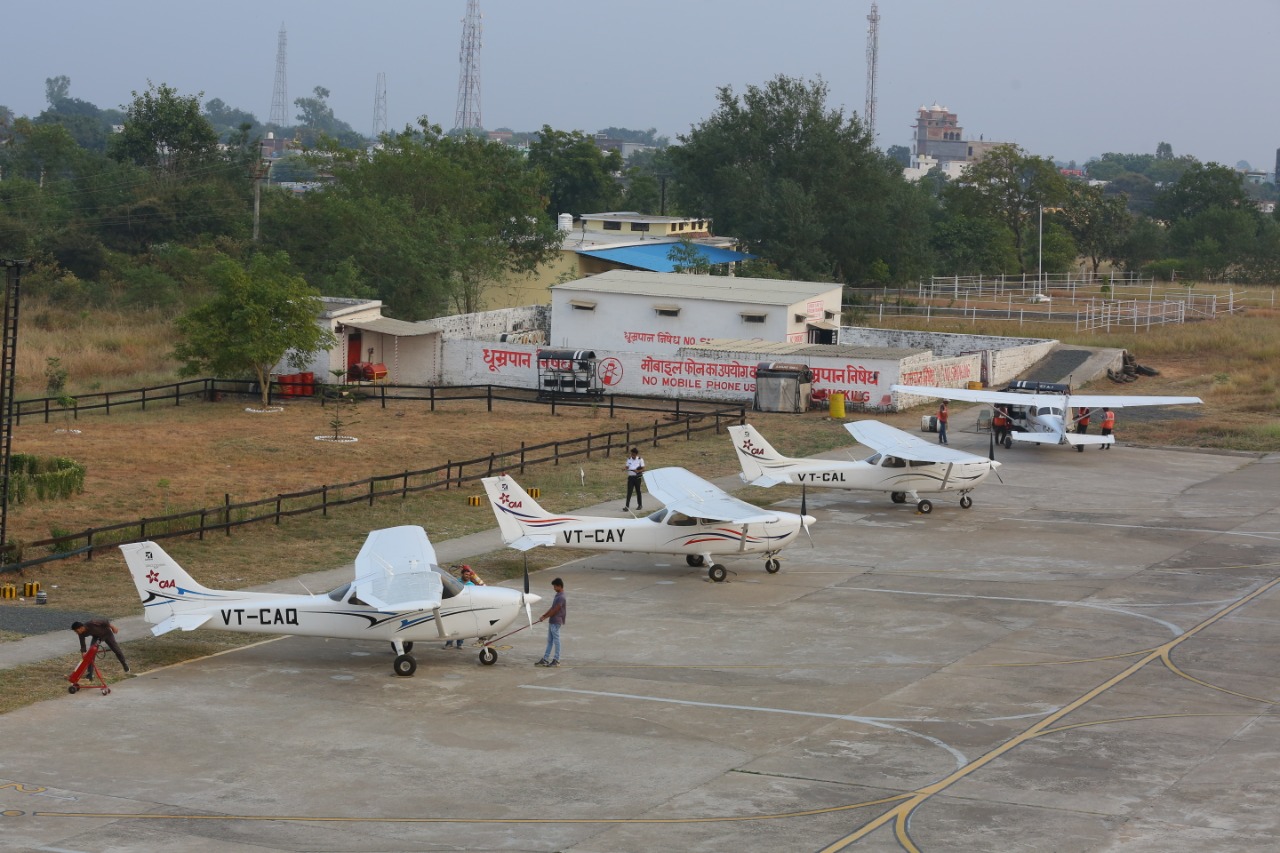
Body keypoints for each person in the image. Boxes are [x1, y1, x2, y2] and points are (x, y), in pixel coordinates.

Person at [444, 565, 485, 648]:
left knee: (462, 626)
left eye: (469, 575)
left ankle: (460, 644)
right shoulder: (456, 582)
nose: (468, 576)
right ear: (462, 574)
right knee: (452, 626)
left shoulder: (472, 585)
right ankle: (449, 643)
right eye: (466, 574)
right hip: (455, 607)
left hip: (465, 608)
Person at [535, 578, 566, 667]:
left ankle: (556, 660)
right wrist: (544, 615)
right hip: (552, 621)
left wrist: (544, 617)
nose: (554, 588)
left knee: (556, 641)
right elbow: (552, 608)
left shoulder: (561, 597)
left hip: (556, 621)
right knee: (550, 641)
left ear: (559, 586)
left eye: (555, 586)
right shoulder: (557, 595)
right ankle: (545, 659)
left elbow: (555, 610)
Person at [622, 447, 645, 511]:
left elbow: (643, 469)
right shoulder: (629, 459)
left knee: (638, 491)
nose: (632, 456)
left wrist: (638, 471)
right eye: (632, 454)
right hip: (631, 478)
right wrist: (625, 468)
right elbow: (627, 466)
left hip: (637, 477)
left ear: (636, 454)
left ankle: (640, 505)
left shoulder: (640, 460)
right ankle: (627, 506)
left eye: (634, 454)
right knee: (629, 492)